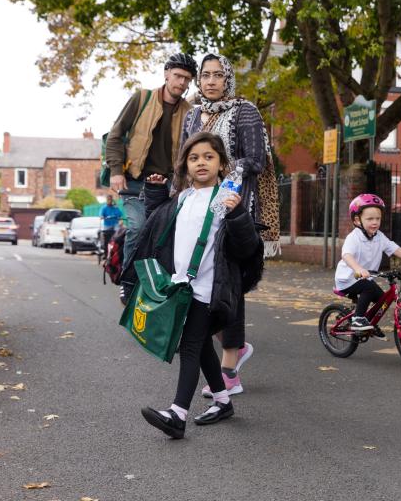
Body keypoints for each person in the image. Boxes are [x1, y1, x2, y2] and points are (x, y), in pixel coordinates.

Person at [128, 132, 263, 439]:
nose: (201, 162)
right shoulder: (183, 198)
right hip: (181, 286)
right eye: (194, 158)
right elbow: (157, 227)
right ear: (185, 166)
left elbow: (246, 248)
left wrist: (239, 214)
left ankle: (177, 414)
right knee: (200, 345)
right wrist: (155, 193)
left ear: (221, 164)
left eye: (208, 157)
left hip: (208, 288)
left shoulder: (226, 199)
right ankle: (222, 400)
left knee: (189, 345)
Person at [181, 53, 279, 398]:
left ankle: (229, 370)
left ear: (228, 79)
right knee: (204, 284)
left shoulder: (244, 110)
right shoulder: (193, 114)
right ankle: (237, 348)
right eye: (205, 75)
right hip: (199, 211)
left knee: (229, 285)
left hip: (237, 211)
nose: (210, 81)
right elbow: (185, 157)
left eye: (218, 75)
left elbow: (257, 158)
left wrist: (224, 171)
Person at [105, 52, 198, 280]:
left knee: (165, 235)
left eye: (187, 79)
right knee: (137, 228)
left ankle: (154, 283)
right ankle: (127, 280)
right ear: (166, 74)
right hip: (135, 181)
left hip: (167, 186)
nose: (181, 82)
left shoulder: (189, 113)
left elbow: (190, 153)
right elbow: (115, 136)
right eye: (177, 76)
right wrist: (116, 171)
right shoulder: (142, 99)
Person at [335, 194, 401, 339]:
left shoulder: (379, 236)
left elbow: (393, 248)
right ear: (357, 220)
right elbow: (347, 255)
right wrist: (358, 268)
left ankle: (369, 322)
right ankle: (358, 320)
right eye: (370, 219)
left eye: (378, 218)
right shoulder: (354, 237)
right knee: (368, 288)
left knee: (382, 299)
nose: (375, 222)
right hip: (348, 279)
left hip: (365, 278)